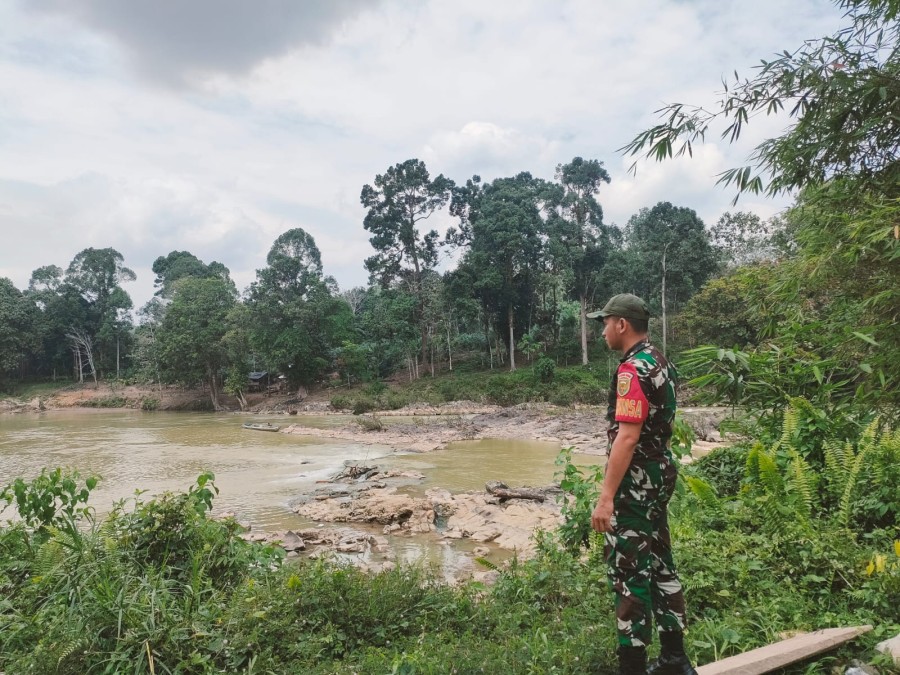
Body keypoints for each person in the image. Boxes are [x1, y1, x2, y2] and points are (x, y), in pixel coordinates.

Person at [587, 293, 697, 675]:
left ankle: (632, 667)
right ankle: (674, 659)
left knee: (629, 572)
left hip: (635, 483)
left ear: (621, 324)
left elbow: (628, 437)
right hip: (659, 474)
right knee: (660, 561)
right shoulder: (661, 361)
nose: (602, 330)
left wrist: (605, 498)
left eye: (605, 322)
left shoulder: (632, 370)